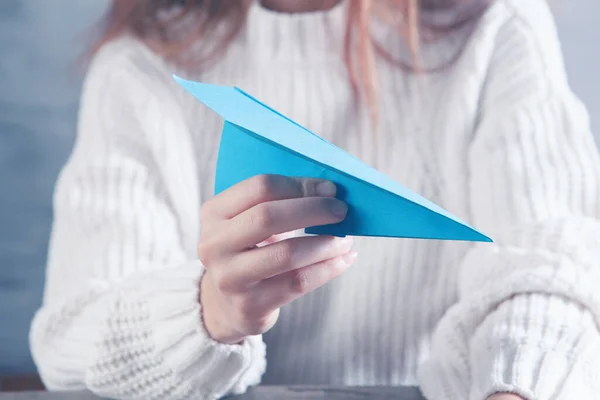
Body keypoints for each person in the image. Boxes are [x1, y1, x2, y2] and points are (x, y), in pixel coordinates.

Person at [30, 0, 600, 399]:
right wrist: (207, 313)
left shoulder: (497, 29)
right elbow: (73, 340)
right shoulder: (141, 64)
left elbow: (554, 271)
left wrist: (517, 386)